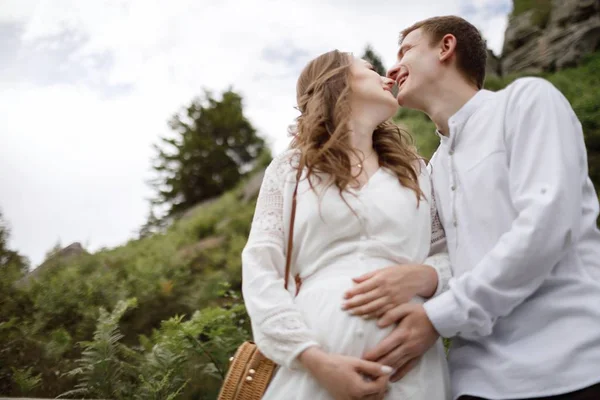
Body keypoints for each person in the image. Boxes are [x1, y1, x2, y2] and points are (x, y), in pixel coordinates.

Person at [345, 15, 600, 400]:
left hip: (571, 367)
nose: (392, 68)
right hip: (472, 382)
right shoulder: (432, 171)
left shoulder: (527, 101)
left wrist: (439, 317)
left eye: (407, 51)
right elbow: (442, 261)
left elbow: (547, 224)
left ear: (446, 47)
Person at [241, 50, 452, 399]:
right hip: (316, 365)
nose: (387, 77)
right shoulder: (291, 168)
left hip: (410, 367)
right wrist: (313, 360)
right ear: (338, 81)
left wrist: (429, 277)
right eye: (370, 69)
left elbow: (449, 253)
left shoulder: (415, 170)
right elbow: (261, 268)